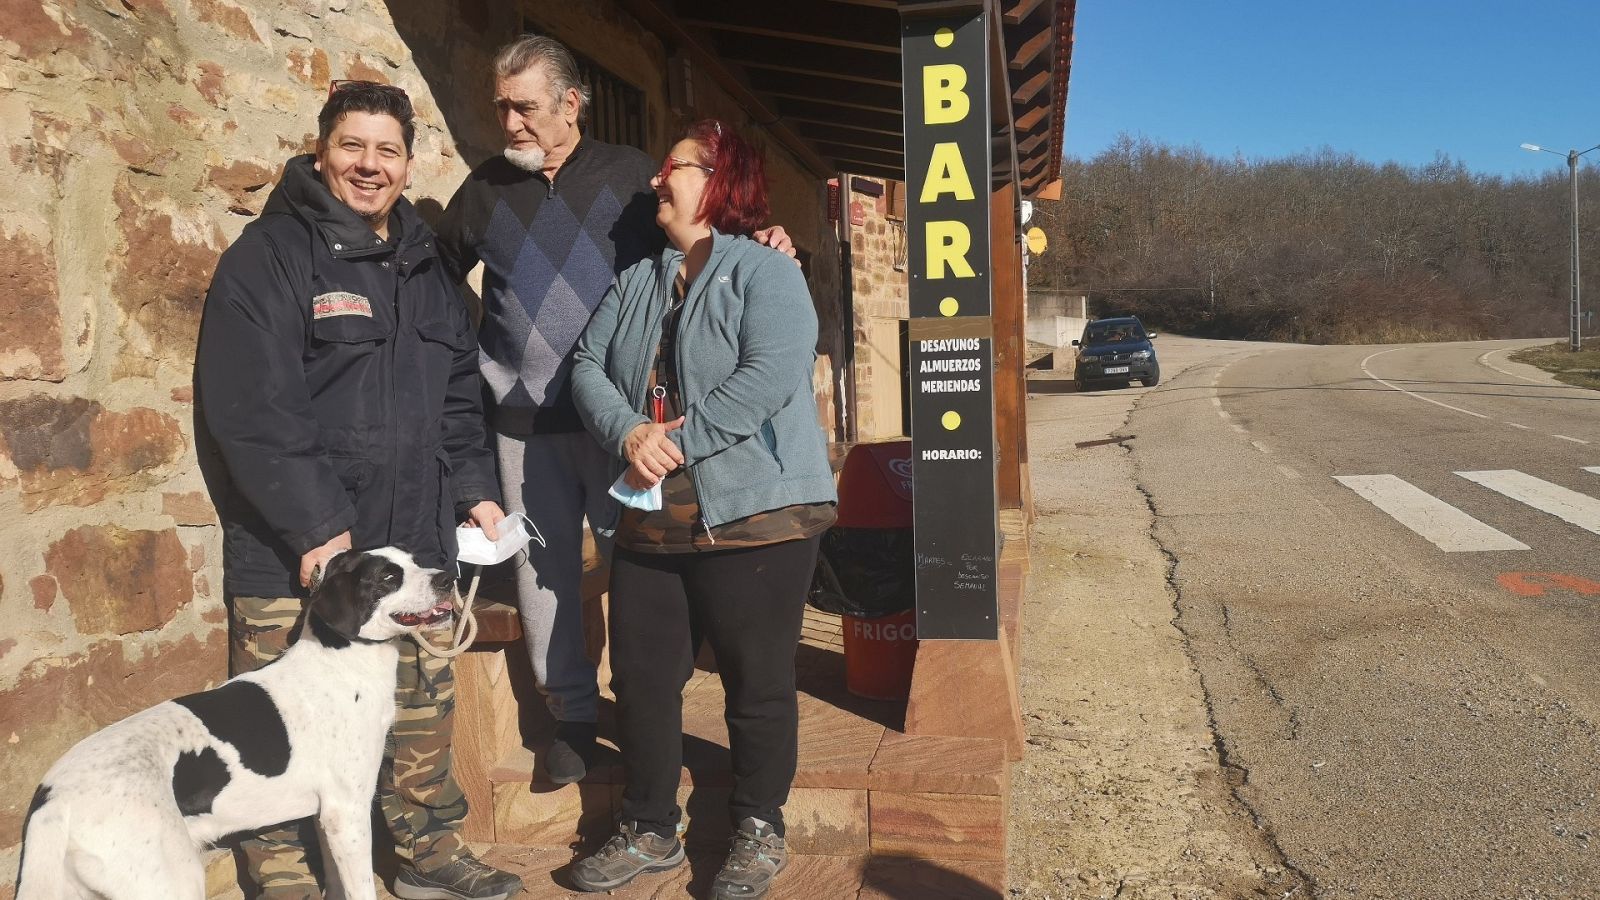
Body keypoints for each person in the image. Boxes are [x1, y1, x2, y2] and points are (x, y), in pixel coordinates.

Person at [195, 81, 524, 900]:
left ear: (409, 164)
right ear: (321, 154)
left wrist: (475, 491)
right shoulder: (270, 258)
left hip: (410, 545)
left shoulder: (427, 266)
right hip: (299, 556)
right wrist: (316, 524)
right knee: (276, 738)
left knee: (419, 714)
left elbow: (458, 398)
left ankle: (426, 852)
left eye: (387, 150)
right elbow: (253, 408)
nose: (369, 166)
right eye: (352, 146)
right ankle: (287, 883)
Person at [436, 35, 792, 785]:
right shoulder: (483, 190)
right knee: (541, 575)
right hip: (522, 427)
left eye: (526, 107)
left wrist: (762, 238)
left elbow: (699, 243)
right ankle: (570, 716)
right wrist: (473, 359)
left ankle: (643, 716)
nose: (510, 123)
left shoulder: (631, 179)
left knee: (637, 573)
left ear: (572, 104)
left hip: (621, 424)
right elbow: (434, 288)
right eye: (501, 107)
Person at [567, 119, 838, 899]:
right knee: (643, 680)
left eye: (676, 168)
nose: (658, 180)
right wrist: (629, 434)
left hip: (757, 519)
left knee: (757, 684)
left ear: (721, 181)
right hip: (650, 521)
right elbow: (586, 364)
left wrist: (676, 444)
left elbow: (770, 374)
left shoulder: (767, 271)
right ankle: (650, 826)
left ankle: (758, 826)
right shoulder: (637, 281)